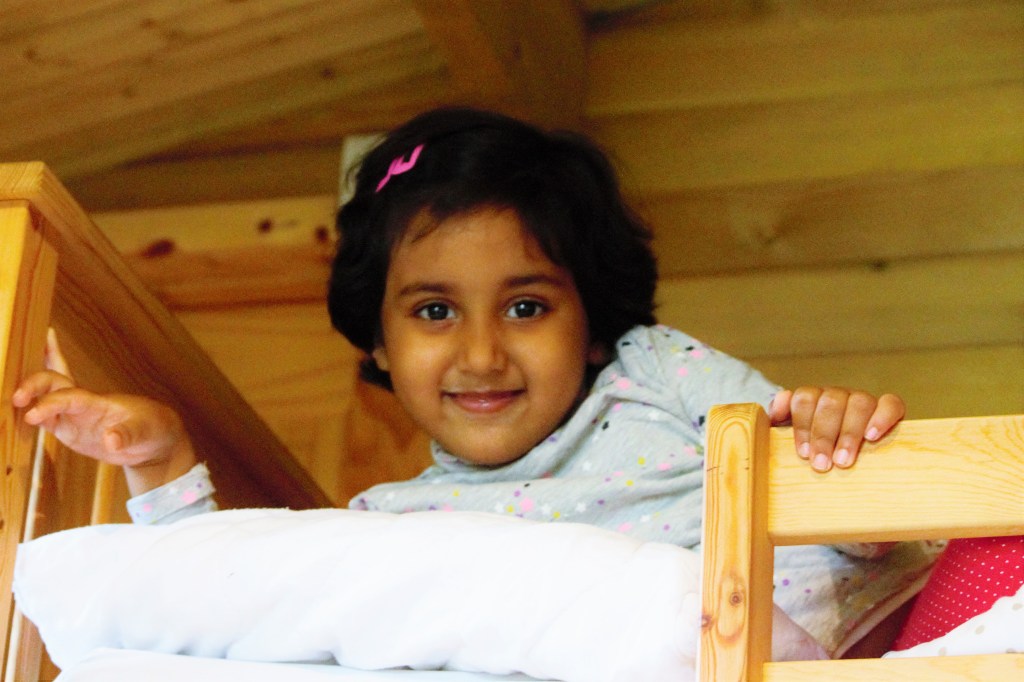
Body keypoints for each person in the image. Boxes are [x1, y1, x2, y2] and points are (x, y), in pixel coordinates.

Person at [13, 107, 933, 660]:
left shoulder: (654, 370)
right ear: (380, 339)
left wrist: (836, 436)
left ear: (592, 319)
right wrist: (162, 461)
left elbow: (825, 492)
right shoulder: (391, 525)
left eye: (526, 307)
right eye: (434, 311)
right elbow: (232, 605)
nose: (483, 356)